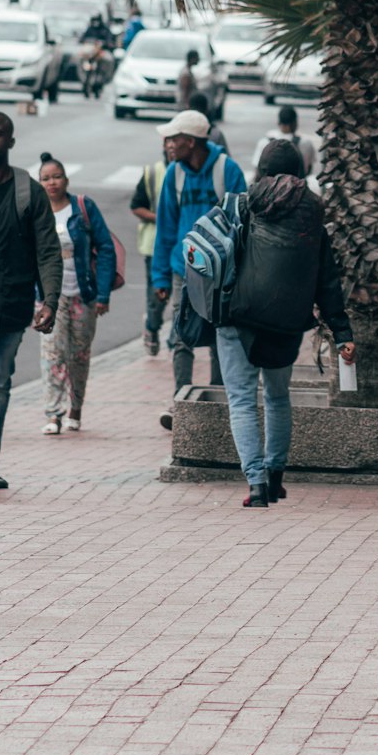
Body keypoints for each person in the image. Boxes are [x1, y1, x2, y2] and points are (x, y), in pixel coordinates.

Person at [216, 139, 355, 508]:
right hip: (287, 322)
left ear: (261, 171)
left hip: (239, 318)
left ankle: (257, 485)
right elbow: (328, 281)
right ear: (301, 173)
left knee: (242, 401)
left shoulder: (245, 204)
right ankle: (276, 478)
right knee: (277, 397)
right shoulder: (313, 215)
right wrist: (343, 333)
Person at [152, 110, 246, 430]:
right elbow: (165, 227)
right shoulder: (173, 175)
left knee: (220, 334)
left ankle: (219, 398)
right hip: (183, 268)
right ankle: (180, 401)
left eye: (173, 139)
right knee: (181, 334)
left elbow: (243, 225)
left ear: (191, 142)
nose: (168, 144)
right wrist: (161, 275)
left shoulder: (227, 171)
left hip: (220, 272)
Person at [0, 112, 62, 489]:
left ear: (11, 141)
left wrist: (49, 299)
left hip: (12, 305)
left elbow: (48, 251)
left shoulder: (27, 190)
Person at [37, 154, 116, 434]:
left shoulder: (83, 208)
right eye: (45, 178)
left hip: (83, 294)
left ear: (66, 179)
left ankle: (75, 409)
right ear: (39, 183)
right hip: (50, 297)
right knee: (52, 354)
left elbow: (105, 248)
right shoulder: (37, 211)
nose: (52, 182)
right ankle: (53, 413)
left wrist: (103, 294)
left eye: (56, 176)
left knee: (79, 355)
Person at [130, 138, 172, 355]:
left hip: (181, 245)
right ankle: (152, 327)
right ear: (165, 146)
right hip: (153, 245)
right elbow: (136, 206)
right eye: (170, 143)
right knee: (157, 294)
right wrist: (160, 218)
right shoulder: (153, 173)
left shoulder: (190, 174)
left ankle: (175, 337)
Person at [253, 105, 316, 178]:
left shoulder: (265, 142)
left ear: (278, 122)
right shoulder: (306, 142)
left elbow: (257, 171)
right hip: (296, 187)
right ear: (295, 123)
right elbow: (308, 170)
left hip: (269, 187)